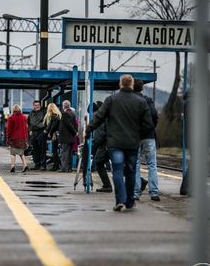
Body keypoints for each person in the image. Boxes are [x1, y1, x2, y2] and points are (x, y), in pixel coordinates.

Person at [85, 74, 154, 211]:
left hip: (115, 143)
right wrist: (140, 136)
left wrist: (88, 130)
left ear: (120, 84)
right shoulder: (140, 102)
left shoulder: (112, 99)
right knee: (130, 171)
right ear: (132, 85)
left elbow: (99, 117)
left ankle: (120, 199)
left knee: (117, 170)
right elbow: (148, 124)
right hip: (132, 143)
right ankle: (129, 201)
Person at [133, 79, 160, 201]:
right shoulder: (148, 101)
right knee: (152, 165)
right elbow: (154, 115)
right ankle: (154, 193)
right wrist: (151, 127)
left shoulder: (130, 101)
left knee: (136, 165)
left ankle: (136, 193)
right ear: (142, 88)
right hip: (149, 136)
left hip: (135, 137)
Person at [6, 104, 29, 173]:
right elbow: (26, 128)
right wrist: (26, 138)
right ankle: (25, 165)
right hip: (22, 138)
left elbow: (9, 129)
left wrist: (8, 137)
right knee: (21, 153)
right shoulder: (24, 117)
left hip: (14, 138)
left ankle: (12, 166)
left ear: (13, 110)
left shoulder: (11, 117)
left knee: (13, 153)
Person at [59, 100, 78, 172]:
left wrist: (74, 132)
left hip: (66, 137)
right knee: (69, 153)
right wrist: (75, 132)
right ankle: (69, 168)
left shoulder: (65, 114)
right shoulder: (73, 113)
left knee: (64, 152)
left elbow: (68, 125)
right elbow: (74, 124)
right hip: (71, 137)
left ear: (64, 106)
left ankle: (64, 168)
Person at [27, 100, 47, 170]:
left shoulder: (44, 112)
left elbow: (47, 121)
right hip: (33, 133)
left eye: (38, 105)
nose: (37, 106)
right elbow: (28, 122)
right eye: (35, 105)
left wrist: (45, 130)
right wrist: (30, 130)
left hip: (41, 132)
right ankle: (37, 164)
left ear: (40, 105)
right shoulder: (31, 113)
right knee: (35, 150)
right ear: (33, 106)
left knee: (42, 149)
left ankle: (43, 165)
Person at [43, 103, 62, 171]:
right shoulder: (58, 115)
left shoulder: (54, 116)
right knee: (56, 150)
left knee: (54, 151)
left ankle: (56, 165)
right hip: (58, 135)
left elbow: (53, 126)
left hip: (55, 135)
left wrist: (49, 133)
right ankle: (57, 165)